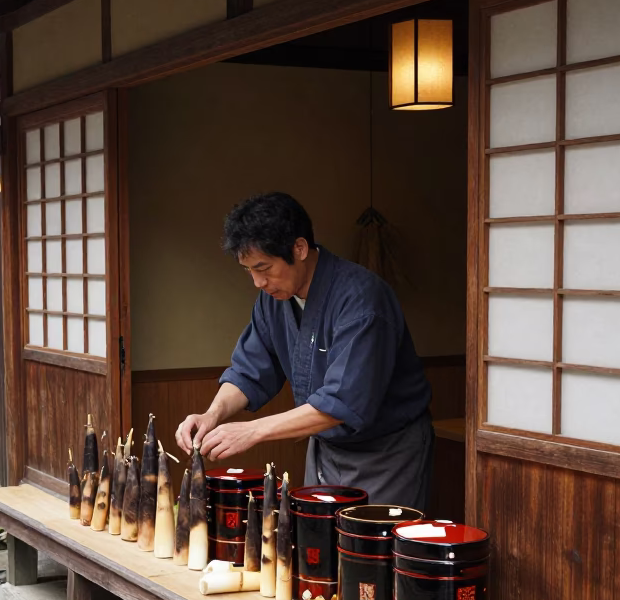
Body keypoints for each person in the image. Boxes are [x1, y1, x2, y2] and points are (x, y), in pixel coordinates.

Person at [174, 193, 434, 510]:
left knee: (371, 552)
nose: (258, 282)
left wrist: (253, 431)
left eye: (263, 267)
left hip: (388, 453)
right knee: (318, 545)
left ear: (299, 248)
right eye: (248, 270)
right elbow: (248, 371)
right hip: (325, 448)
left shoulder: (362, 299)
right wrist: (211, 415)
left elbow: (343, 402)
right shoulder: (273, 300)